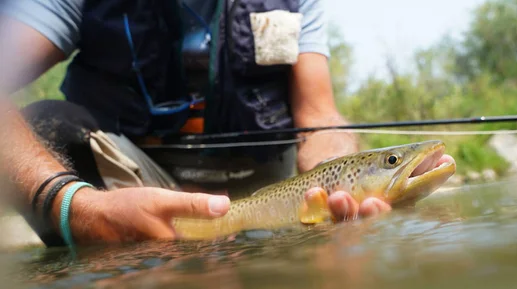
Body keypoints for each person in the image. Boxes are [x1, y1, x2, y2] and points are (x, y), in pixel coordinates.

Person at [0, 0, 398, 248]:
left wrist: (348, 176)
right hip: (128, 185)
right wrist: (74, 206)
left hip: (266, 193)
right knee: (51, 127)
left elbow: (320, 118)